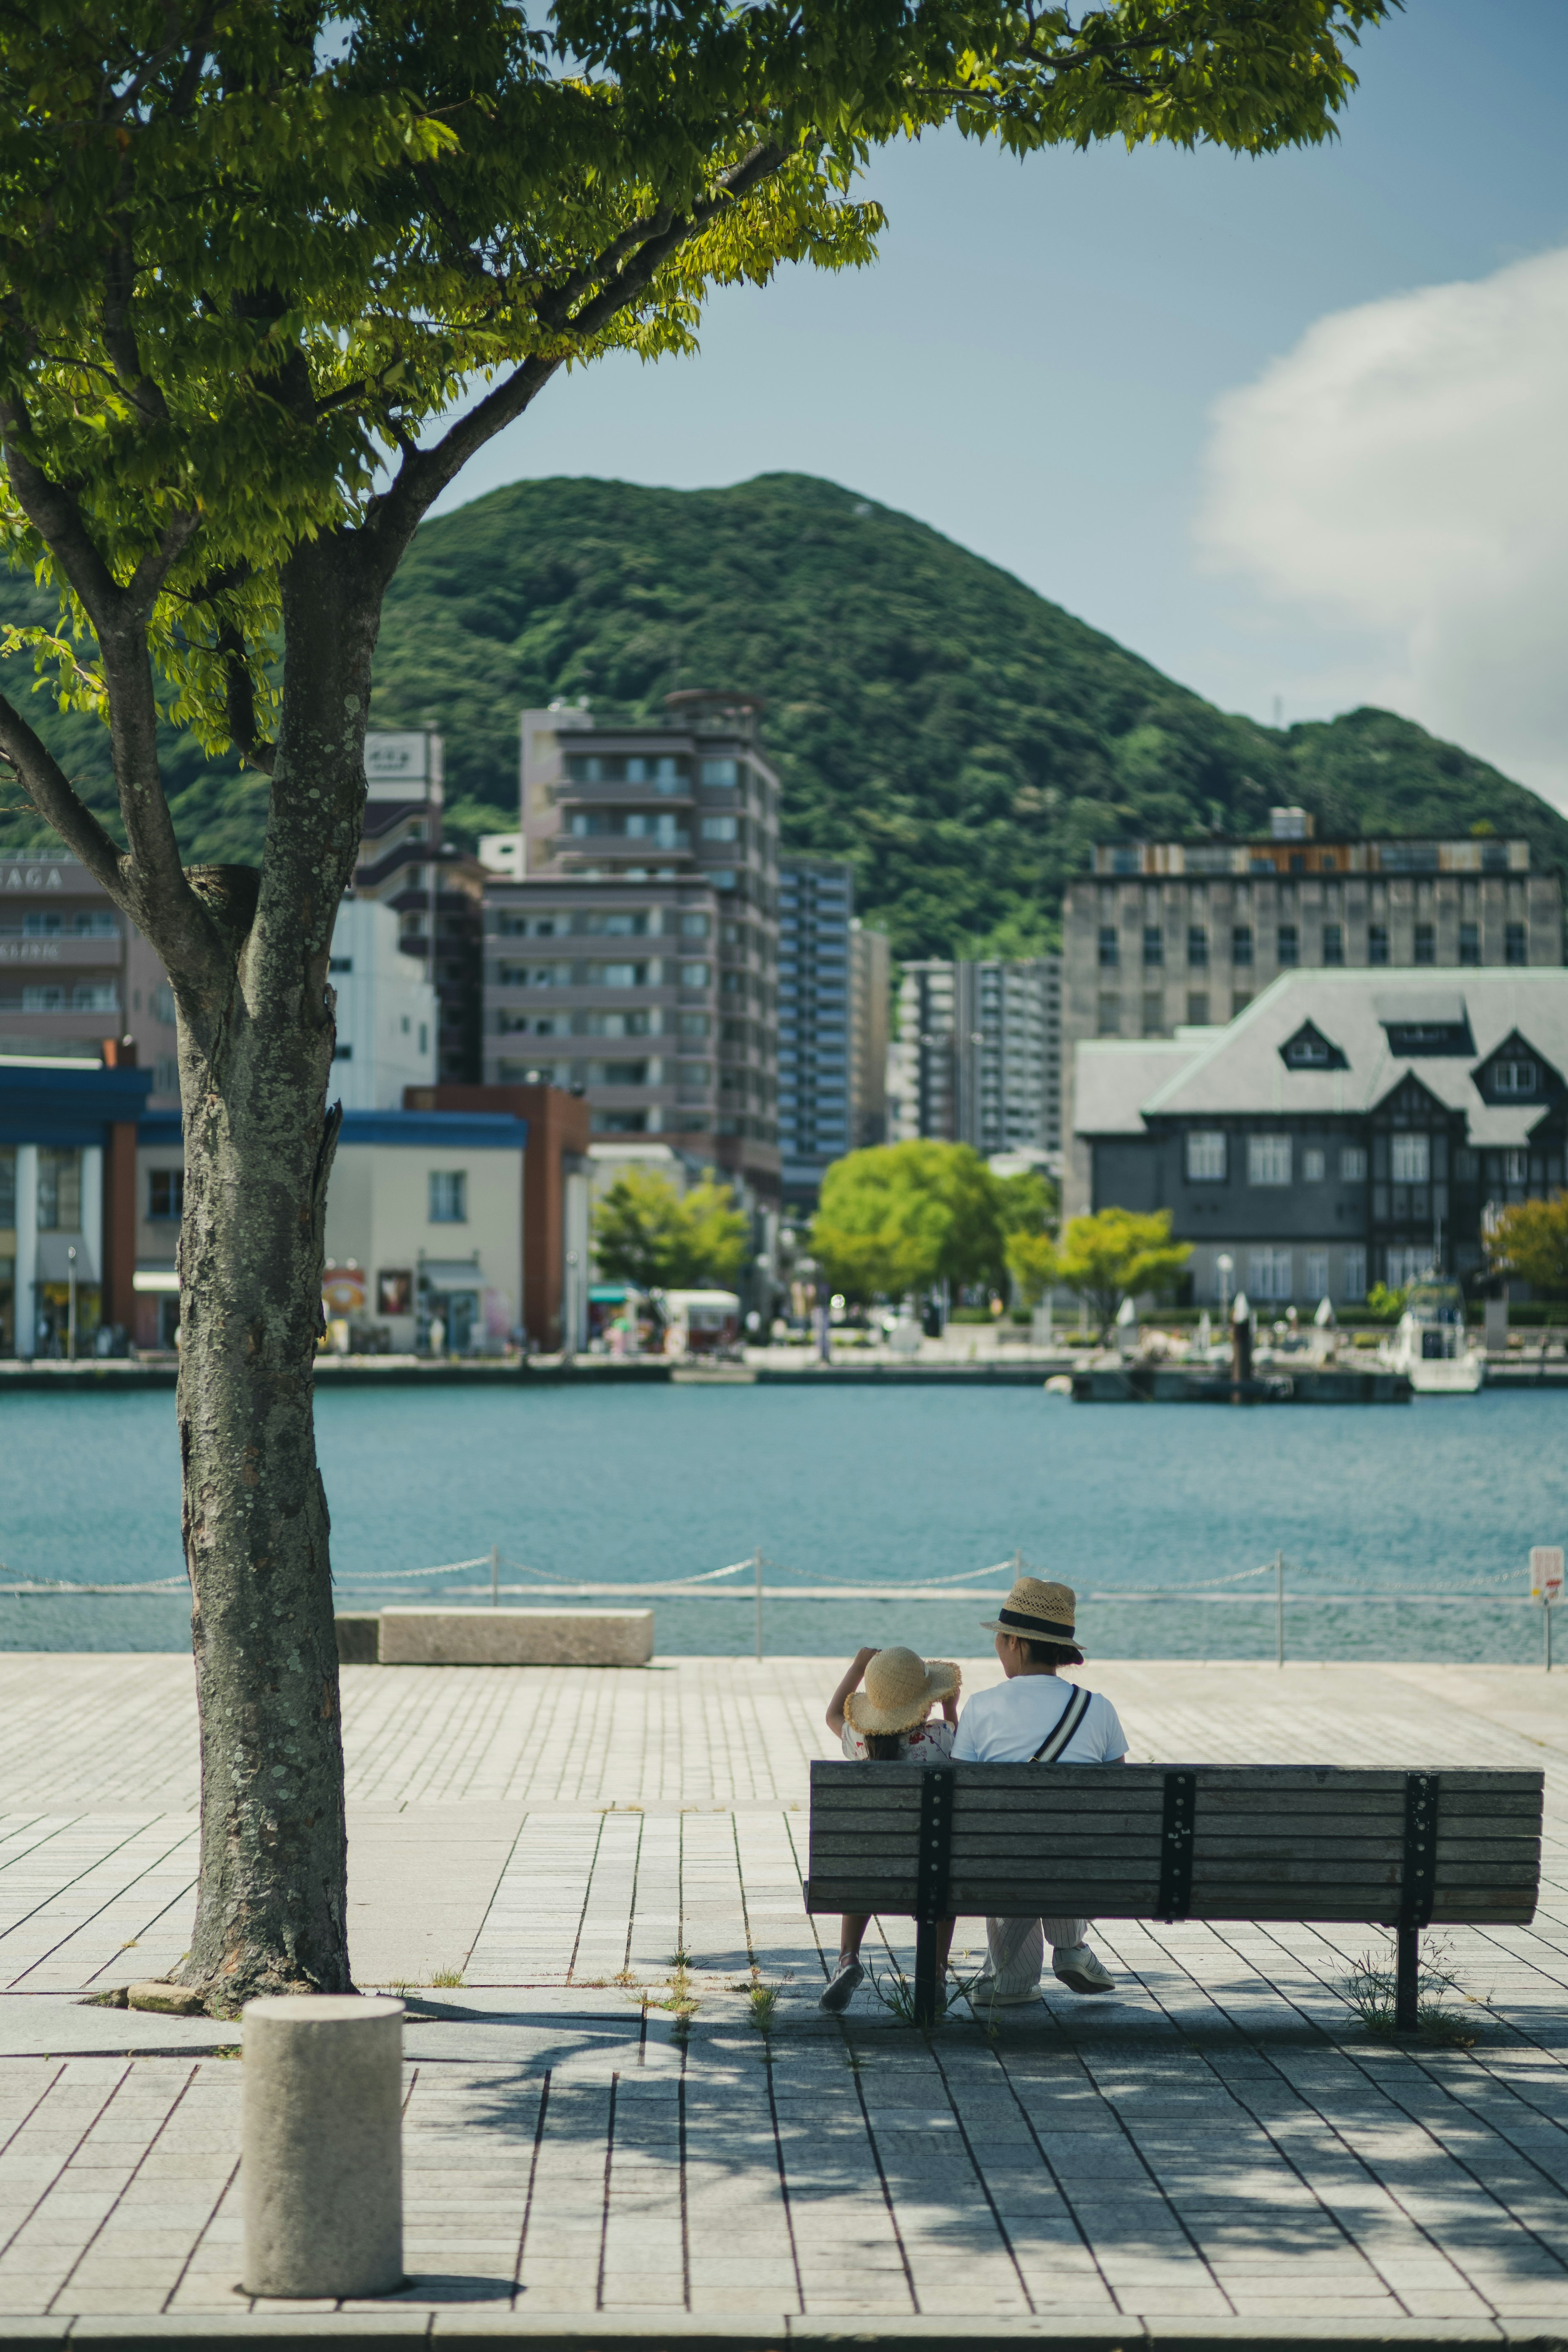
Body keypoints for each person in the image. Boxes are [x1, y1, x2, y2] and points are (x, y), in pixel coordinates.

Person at [951, 1575, 1126, 2004]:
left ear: (1016, 1643)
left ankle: (1010, 1980)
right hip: (1080, 1871)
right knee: (1065, 1841)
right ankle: (1071, 1947)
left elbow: (959, 1794)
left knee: (1013, 1842)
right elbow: (1121, 1795)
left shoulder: (982, 1706)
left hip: (1003, 1866)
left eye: (999, 1638)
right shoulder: (1098, 1708)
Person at [819, 1644, 961, 2014]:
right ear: (926, 1702)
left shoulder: (860, 1741)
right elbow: (962, 1749)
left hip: (875, 1870)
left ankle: (848, 1958)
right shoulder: (942, 1738)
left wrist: (857, 1666)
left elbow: (833, 1714)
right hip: (933, 1872)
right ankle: (937, 1970)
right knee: (946, 1864)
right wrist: (950, 1708)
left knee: (866, 1853)